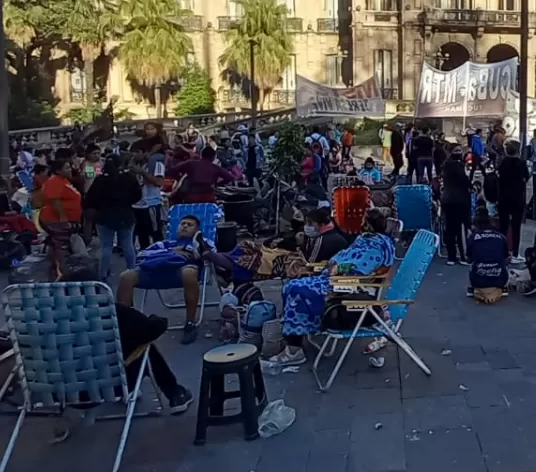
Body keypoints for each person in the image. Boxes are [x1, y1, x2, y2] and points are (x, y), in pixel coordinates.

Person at [263, 230, 398, 369]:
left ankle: (294, 350)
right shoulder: (363, 241)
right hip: (335, 281)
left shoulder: (375, 249)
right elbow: (344, 259)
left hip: (346, 287)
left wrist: (338, 270)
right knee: (291, 286)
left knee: (298, 292)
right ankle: (293, 339)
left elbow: (358, 271)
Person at [119, 214, 210, 344]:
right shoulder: (165, 244)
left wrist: (197, 249)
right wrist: (173, 251)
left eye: (190, 225)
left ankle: (190, 322)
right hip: (154, 272)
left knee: (190, 273)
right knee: (125, 277)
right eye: (183, 223)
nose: (185, 226)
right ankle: (126, 324)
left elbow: (210, 255)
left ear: (197, 231)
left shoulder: (199, 243)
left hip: (179, 272)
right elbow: (142, 254)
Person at [85, 156, 142, 281]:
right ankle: (132, 271)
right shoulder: (129, 178)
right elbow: (138, 195)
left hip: (104, 217)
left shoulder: (99, 179)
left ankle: (103, 274)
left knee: (106, 247)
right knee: (128, 246)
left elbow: (90, 199)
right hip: (126, 215)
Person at [32, 164, 83, 279]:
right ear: (58, 170)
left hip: (60, 219)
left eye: (70, 167)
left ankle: (57, 270)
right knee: (61, 246)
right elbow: (55, 200)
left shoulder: (64, 180)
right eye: (66, 168)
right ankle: (60, 272)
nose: (70, 169)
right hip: (55, 219)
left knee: (57, 244)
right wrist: (63, 217)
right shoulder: (55, 181)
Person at [466, 206, 509, 302]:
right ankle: (504, 287)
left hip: (478, 280)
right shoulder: (501, 236)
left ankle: (471, 288)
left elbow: (468, 259)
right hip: (499, 279)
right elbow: (507, 258)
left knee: (472, 262)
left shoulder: (473, 237)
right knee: (504, 258)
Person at [496, 141, 529, 263]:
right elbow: (526, 177)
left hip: (503, 197)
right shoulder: (522, 163)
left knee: (503, 226)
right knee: (516, 226)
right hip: (517, 198)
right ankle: (515, 253)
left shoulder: (503, 163)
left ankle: (503, 252)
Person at [439, 149, 472, 264]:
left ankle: (451, 257)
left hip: (447, 200)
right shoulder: (460, 166)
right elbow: (465, 181)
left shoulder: (446, 166)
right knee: (460, 229)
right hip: (460, 200)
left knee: (449, 228)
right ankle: (463, 255)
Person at [171, 146, 236, 204]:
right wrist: (218, 184)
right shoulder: (215, 167)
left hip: (192, 195)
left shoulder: (191, 163)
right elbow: (231, 178)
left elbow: (173, 169)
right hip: (208, 196)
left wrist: (180, 178)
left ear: (201, 155)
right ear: (213, 157)